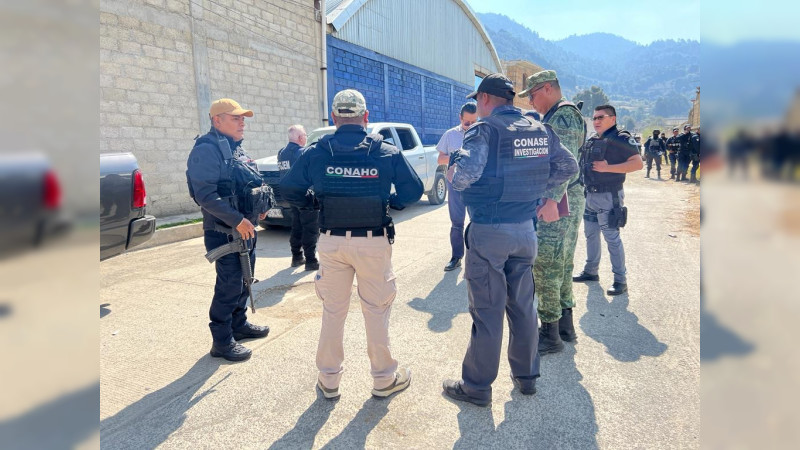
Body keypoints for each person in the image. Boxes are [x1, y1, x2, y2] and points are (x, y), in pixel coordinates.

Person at [441, 73, 578, 406]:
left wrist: (451, 173)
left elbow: (466, 176)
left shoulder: (484, 130)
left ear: (485, 99)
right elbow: (569, 166)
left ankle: (476, 387)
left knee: (487, 312)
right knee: (523, 308)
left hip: (490, 231)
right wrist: (544, 194)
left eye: (478, 101)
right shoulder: (539, 129)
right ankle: (527, 377)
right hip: (525, 231)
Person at [279, 89, 423, 400]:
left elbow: (288, 190)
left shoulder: (316, 153)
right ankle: (384, 379)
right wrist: (389, 202)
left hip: (332, 242)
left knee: (333, 309)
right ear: (366, 117)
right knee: (376, 309)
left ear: (334, 118)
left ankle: (329, 380)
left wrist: (315, 204)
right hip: (373, 241)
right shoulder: (384, 152)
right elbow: (414, 191)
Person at [186, 98, 271, 362]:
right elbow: (206, 195)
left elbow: (248, 183)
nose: (242, 122)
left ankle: (239, 325)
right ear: (217, 120)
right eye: (235, 118)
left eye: (243, 118)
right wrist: (236, 220)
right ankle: (221, 341)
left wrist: (261, 207)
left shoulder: (235, 149)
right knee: (229, 286)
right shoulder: (206, 150)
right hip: (224, 231)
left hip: (245, 229)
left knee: (245, 280)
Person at [517, 69, 587, 355]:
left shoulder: (562, 116)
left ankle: (550, 334)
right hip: (566, 198)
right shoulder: (559, 115)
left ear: (547, 88)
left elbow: (565, 165)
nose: (531, 102)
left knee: (546, 265)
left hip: (559, 200)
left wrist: (549, 200)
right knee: (562, 263)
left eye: (532, 95)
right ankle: (565, 325)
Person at [573, 105, 643, 296]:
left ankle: (620, 280)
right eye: (594, 118)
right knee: (590, 235)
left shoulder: (621, 138)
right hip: (590, 194)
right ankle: (591, 271)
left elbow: (637, 164)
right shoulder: (593, 139)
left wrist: (608, 168)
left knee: (612, 238)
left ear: (612, 118)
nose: (596, 121)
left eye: (600, 117)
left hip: (609, 196)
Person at [435, 102, 478, 271]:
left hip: (476, 186)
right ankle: (456, 256)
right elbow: (440, 159)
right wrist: (456, 157)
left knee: (477, 222)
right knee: (456, 223)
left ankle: (476, 258)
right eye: (467, 122)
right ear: (460, 118)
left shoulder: (482, 134)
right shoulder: (450, 135)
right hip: (455, 186)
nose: (470, 126)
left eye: (474, 122)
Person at [278, 124, 320, 270]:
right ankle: (311, 260)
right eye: (305, 136)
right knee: (310, 227)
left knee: (296, 225)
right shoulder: (303, 152)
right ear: (301, 138)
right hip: (304, 195)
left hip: (290, 196)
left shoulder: (281, 153)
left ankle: (296, 256)